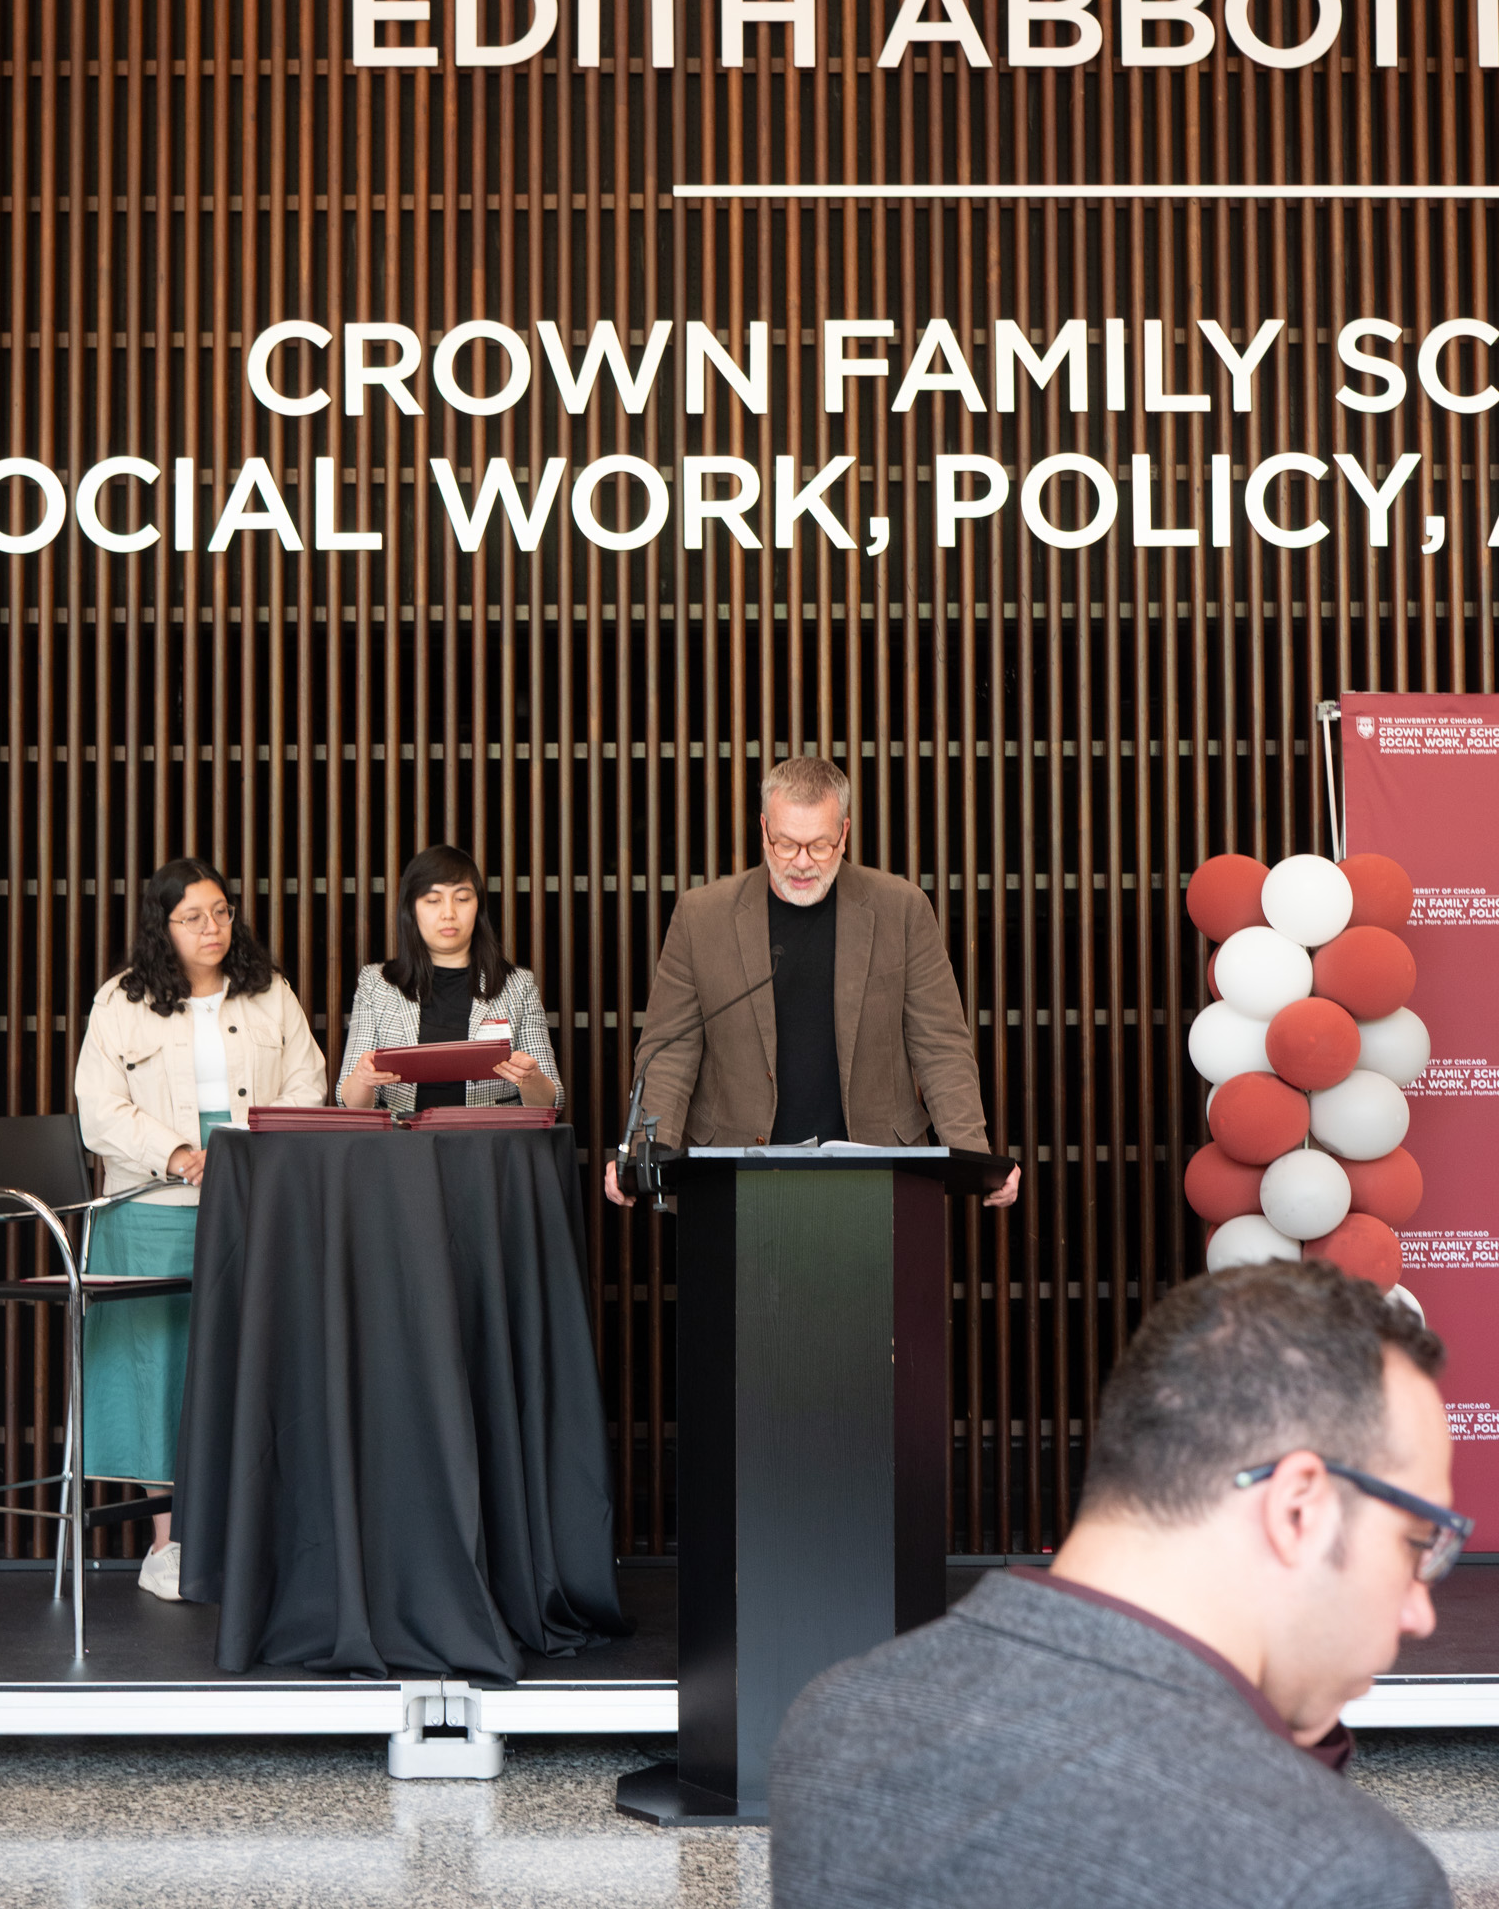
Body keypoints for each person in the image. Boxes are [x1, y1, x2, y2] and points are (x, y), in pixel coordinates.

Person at [769, 1261, 1463, 1909]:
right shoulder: (1347, 1872)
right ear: (1298, 1509)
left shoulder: (837, 1716)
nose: (1420, 1613)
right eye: (1417, 1542)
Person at [75, 858, 328, 1602]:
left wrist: (239, 1149)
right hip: (151, 1207)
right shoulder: (120, 1000)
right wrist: (180, 1153)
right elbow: (99, 1109)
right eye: (192, 918)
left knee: (257, 1361)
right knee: (158, 1373)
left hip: (255, 1198)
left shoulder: (270, 990)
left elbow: (308, 1085)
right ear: (162, 926)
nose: (211, 928)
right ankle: (169, 1543)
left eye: (221, 911)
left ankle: (255, 1536)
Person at [604, 755, 1018, 1207]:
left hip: (879, 1172)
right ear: (764, 829)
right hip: (734, 1176)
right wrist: (644, 1159)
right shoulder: (701, 917)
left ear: (844, 833)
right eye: (786, 844)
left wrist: (975, 1157)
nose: (801, 863)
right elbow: (668, 1053)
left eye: (819, 846)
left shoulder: (902, 910)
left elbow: (941, 1048)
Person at [339, 843, 563, 1115]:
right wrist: (363, 1079)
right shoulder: (376, 983)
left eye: (462, 898)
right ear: (412, 909)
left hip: (490, 1136)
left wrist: (530, 1078)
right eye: (433, 900)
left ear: (478, 906)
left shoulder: (517, 985)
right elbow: (350, 1102)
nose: (448, 913)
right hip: (401, 1136)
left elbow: (549, 1103)